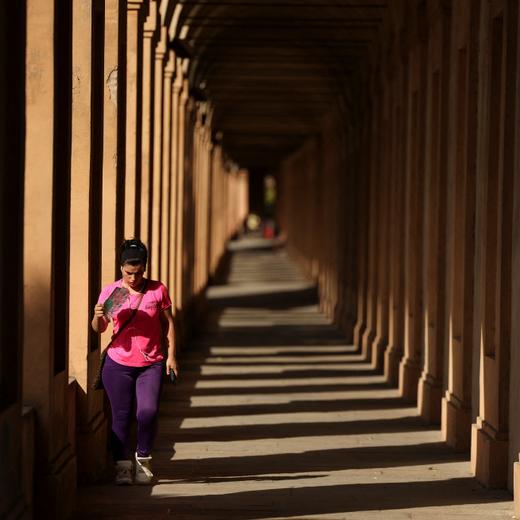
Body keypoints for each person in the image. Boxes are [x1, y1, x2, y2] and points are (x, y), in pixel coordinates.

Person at [91, 239, 179, 485]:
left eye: (138, 272)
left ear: (145, 268)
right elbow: (99, 329)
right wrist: (97, 317)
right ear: (121, 268)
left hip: (151, 362)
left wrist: (172, 356)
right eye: (129, 272)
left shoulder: (156, 290)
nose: (133, 278)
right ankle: (122, 466)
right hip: (118, 363)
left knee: (147, 412)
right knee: (121, 415)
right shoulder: (114, 293)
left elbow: (168, 323)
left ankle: (143, 458)